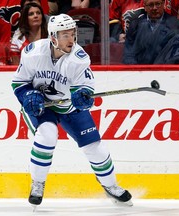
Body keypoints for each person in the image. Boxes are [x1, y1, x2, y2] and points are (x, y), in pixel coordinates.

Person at [11, 13, 132, 207]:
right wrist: (27, 96)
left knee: (96, 150)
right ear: (53, 37)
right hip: (42, 105)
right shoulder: (32, 53)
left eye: (72, 34)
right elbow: (19, 83)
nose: (71, 39)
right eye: (65, 35)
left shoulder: (79, 58)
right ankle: (38, 183)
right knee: (47, 136)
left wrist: (82, 96)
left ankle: (111, 185)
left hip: (68, 107)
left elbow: (85, 88)